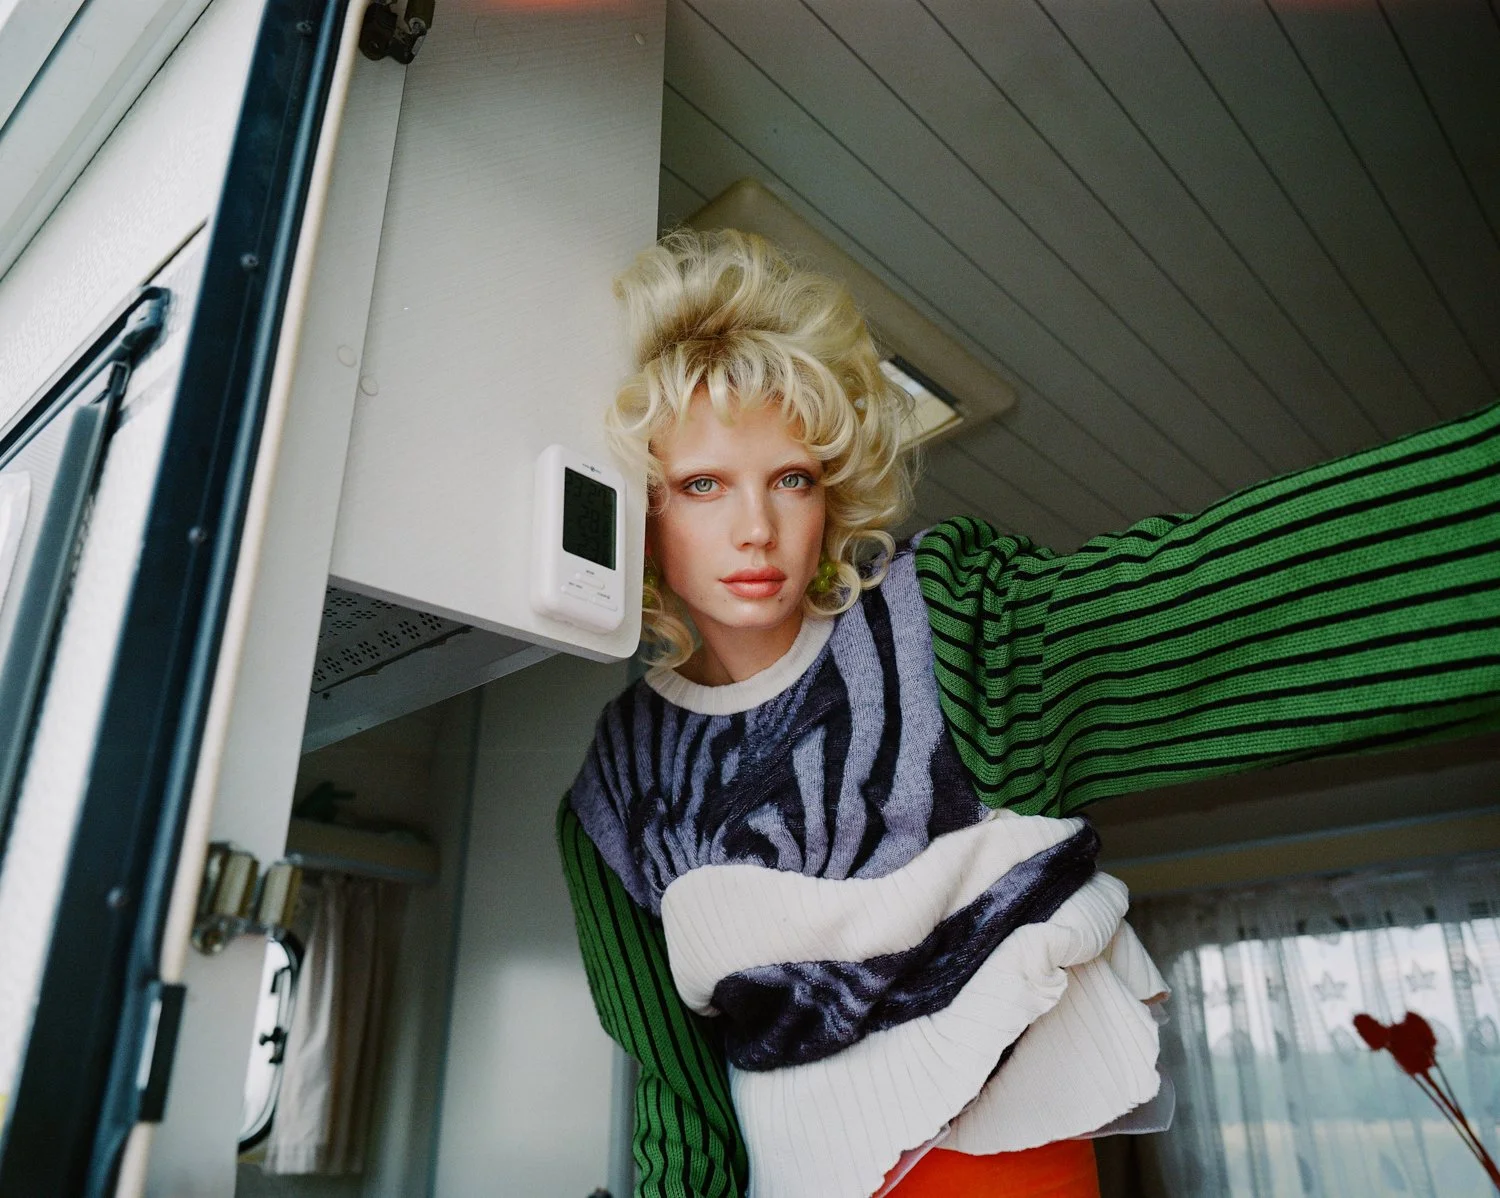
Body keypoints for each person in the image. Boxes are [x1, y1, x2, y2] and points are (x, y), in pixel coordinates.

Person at [558, 228, 1500, 1198]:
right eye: (704, 484)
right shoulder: (615, 795)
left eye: (790, 477)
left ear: (829, 494)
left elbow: (1214, 605)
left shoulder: (949, 635)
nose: (755, 526)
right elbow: (680, 1118)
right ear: (644, 508)